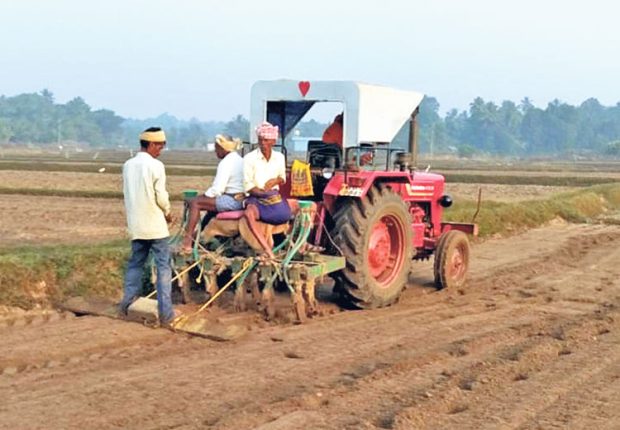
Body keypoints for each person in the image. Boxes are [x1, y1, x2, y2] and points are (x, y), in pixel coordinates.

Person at [119, 127, 175, 326]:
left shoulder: (128, 165)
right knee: (163, 268)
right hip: (156, 225)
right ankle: (166, 314)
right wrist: (168, 213)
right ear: (151, 144)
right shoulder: (156, 165)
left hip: (136, 225)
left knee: (135, 263)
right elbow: (161, 196)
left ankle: (126, 305)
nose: (161, 149)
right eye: (160, 145)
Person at [179, 134, 244, 253]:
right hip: (240, 199)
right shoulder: (239, 159)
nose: (215, 151)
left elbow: (217, 189)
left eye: (216, 148)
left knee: (196, 203)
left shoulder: (226, 163)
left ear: (223, 148)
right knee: (209, 207)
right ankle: (197, 236)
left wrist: (199, 198)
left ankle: (187, 242)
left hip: (232, 200)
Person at [243, 121, 291, 257]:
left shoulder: (279, 157)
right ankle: (267, 249)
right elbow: (248, 186)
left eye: (266, 140)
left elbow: (283, 178)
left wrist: (274, 181)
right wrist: (263, 194)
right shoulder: (249, 158)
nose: (263, 143)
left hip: (274, 196)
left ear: (273, 141)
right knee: (249, 214)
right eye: (260, 140)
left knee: (306, 208)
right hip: (257, 196)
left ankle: (301, 245)